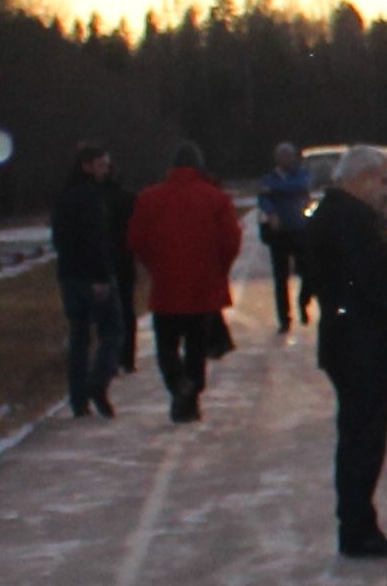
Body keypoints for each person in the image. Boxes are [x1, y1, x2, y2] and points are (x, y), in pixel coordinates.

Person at [300, 147, 387, 557]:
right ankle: (357, 529)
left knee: (360, 438)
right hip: (360, 347)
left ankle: (359, 524)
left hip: (355, 344)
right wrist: (380, 320)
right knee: (362, 440)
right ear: (362, 177)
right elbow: (364, 281)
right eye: (381, 179)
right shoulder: (347, 220)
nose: (386, 189)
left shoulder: (339, 215)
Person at [128, 138, 247, 424]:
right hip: (202, 288)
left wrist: (155, 265)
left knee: (166, 345)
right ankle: (190, 400)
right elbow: (231, 241)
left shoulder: (148, 198)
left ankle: (177, 384)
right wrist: (219, 269)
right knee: (196, 347)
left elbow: (136, 240)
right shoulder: (216, 198)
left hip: (166, 286)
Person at [49, 141, 138, 418]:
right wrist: (100, 276)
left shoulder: (64, 196)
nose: (106, 169)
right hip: (94, 276)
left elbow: (59, 240)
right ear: (86, 166)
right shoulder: (92, 197)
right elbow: (97, 240)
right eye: (101, 164)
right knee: (113, 331)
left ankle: (78, 401)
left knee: (79, 337)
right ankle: (98, 382)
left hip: (68, 275)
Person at [253, 142, 317, 337]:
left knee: (309, 272)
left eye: (289, 156)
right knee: (280, 279)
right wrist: (272, 211)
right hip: (279, 234)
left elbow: (301, 186)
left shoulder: (301, 175)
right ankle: (284, 319)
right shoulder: (268, 178)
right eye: (283, 157)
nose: (287, 160)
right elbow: (263, 200)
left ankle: (303, 301)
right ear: (277, 159)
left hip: (300, 230)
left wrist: (276, 191)